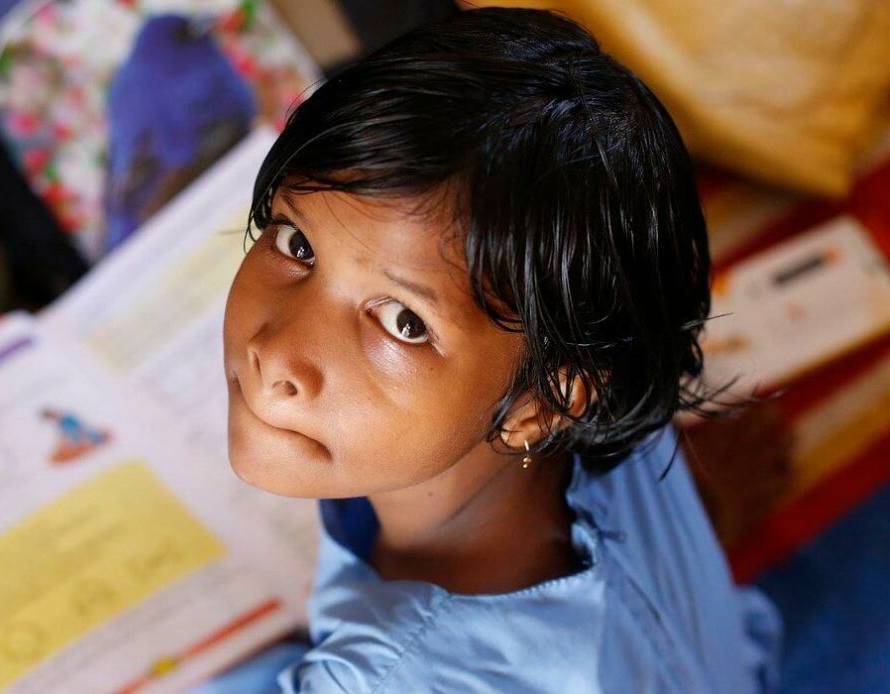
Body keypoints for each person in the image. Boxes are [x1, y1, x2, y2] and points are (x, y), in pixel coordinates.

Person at [210, 7, 782, 692]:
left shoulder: (372, 679)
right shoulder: (604, 374)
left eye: (403, 321)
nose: (277, 356)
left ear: (540, 406)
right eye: (297, 244)